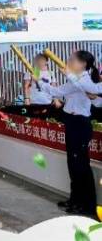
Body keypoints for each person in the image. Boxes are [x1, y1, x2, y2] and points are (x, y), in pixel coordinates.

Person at [35, 50, 99, 217]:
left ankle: (86, 205)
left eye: (72, 60)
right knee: (73, 163)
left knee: (81, 165)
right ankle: (75, 200)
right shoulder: (75, 80)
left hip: (80, 124)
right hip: (72, 122)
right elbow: (59, 91)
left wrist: (41, 82)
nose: (68, 62)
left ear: (83, 64)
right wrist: (40, 81)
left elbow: (59, 91)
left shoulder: (83, 80)